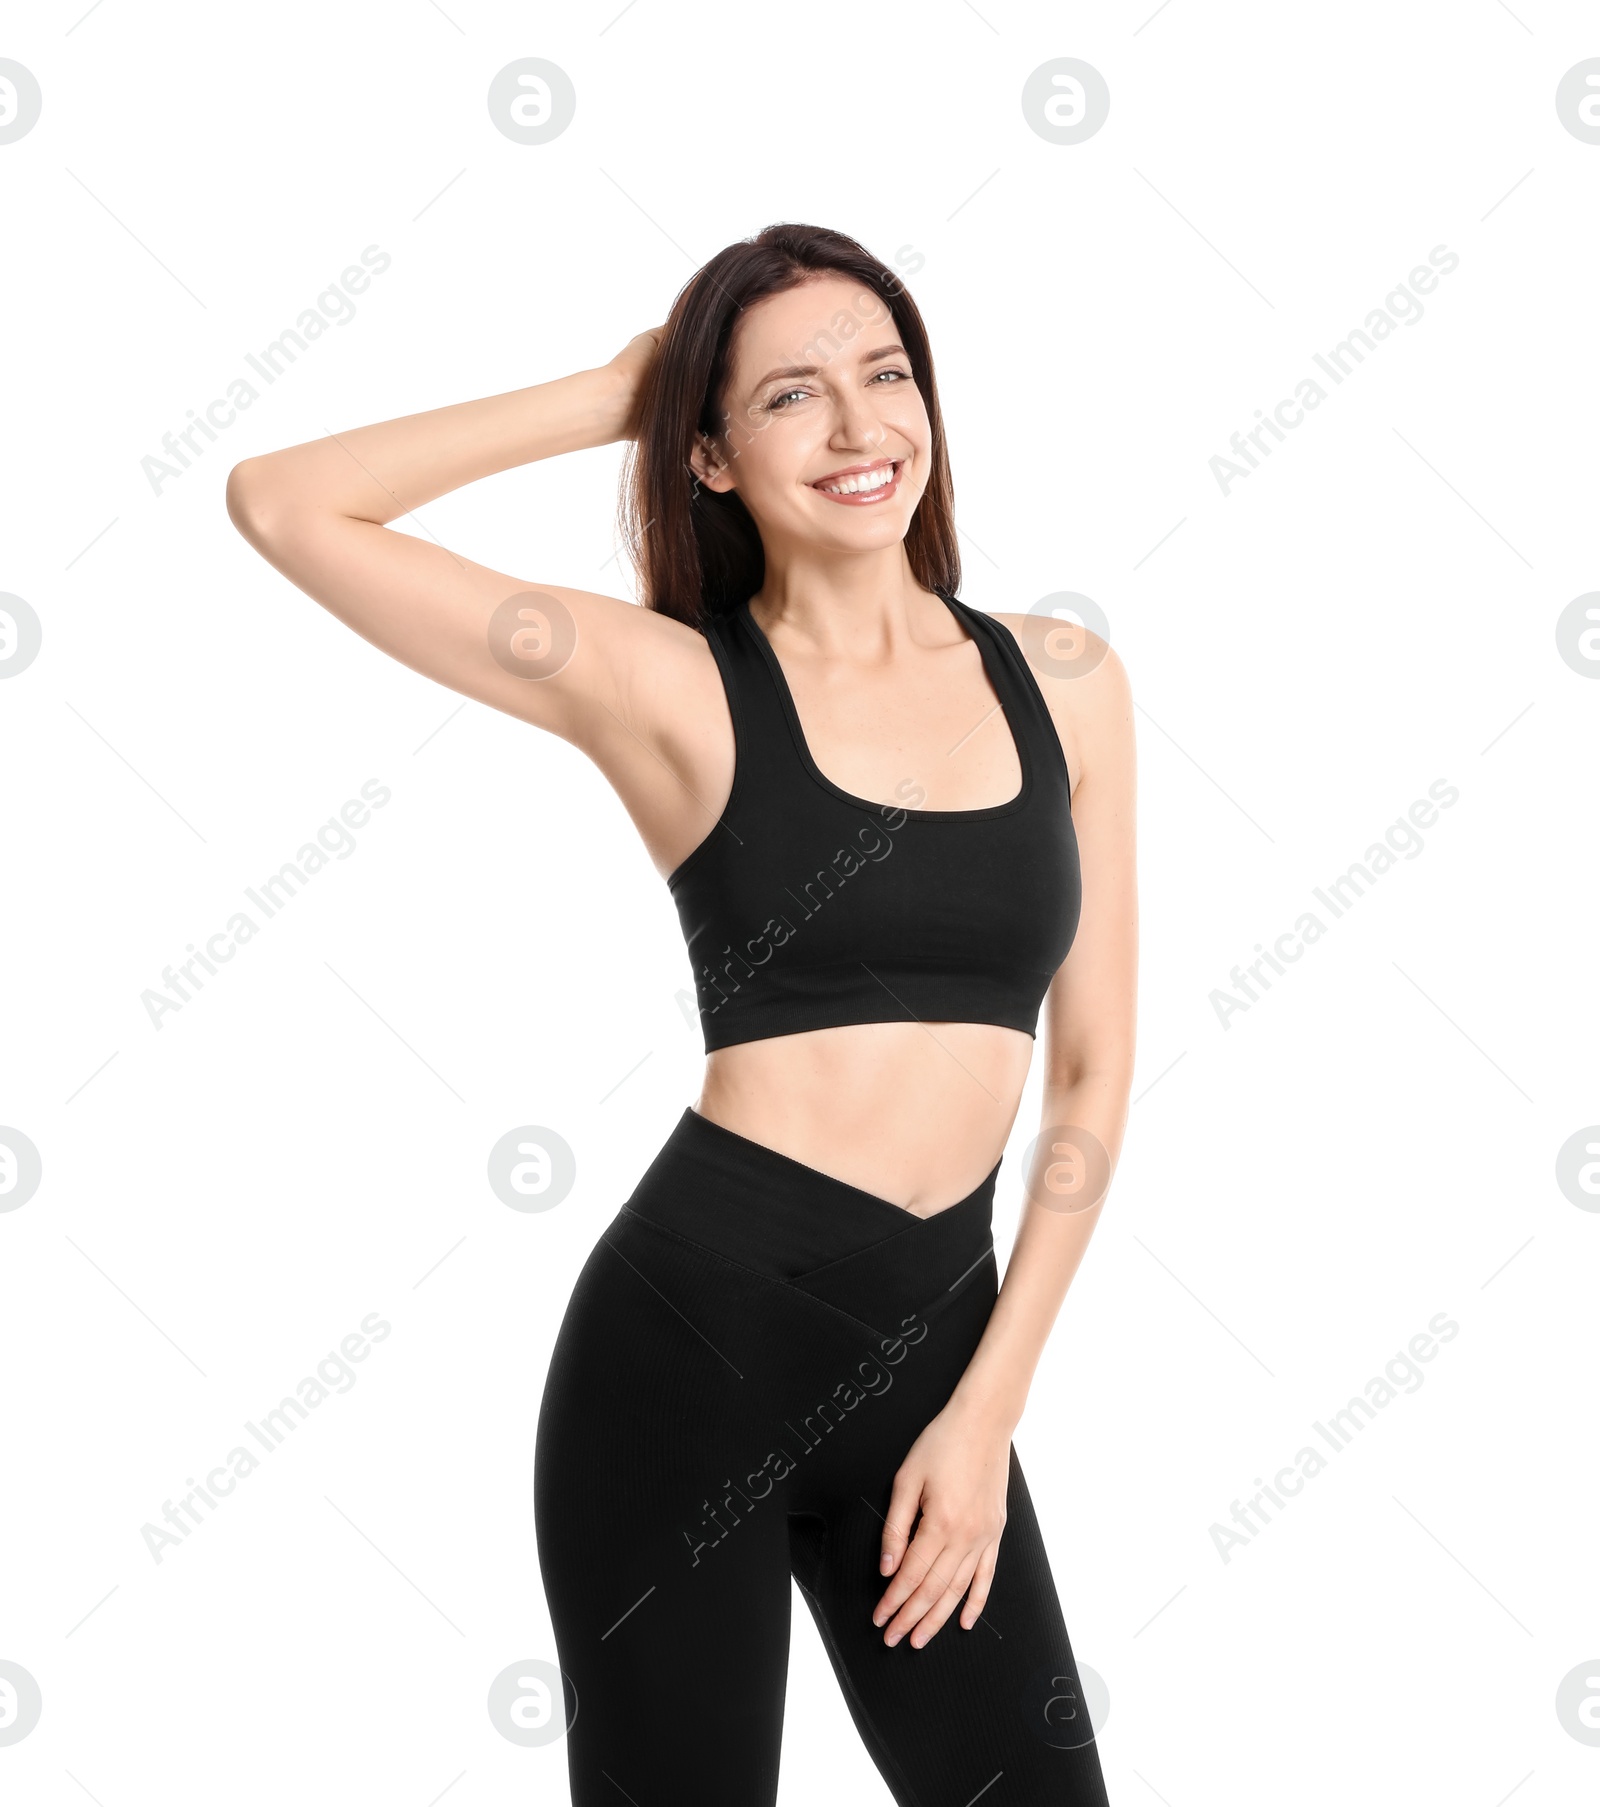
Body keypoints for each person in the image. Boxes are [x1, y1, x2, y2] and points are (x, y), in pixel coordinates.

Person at [226, 221, 1135, 1806]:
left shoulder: (1064, 679)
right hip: (685, 1358)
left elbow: (1098, 1071)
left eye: (887, 374)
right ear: (708, 455)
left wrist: (988, 1408)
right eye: (791, 398)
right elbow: (286, 503)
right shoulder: (663, 681)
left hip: (940, 1348)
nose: (860, 430)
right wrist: (612, 391)